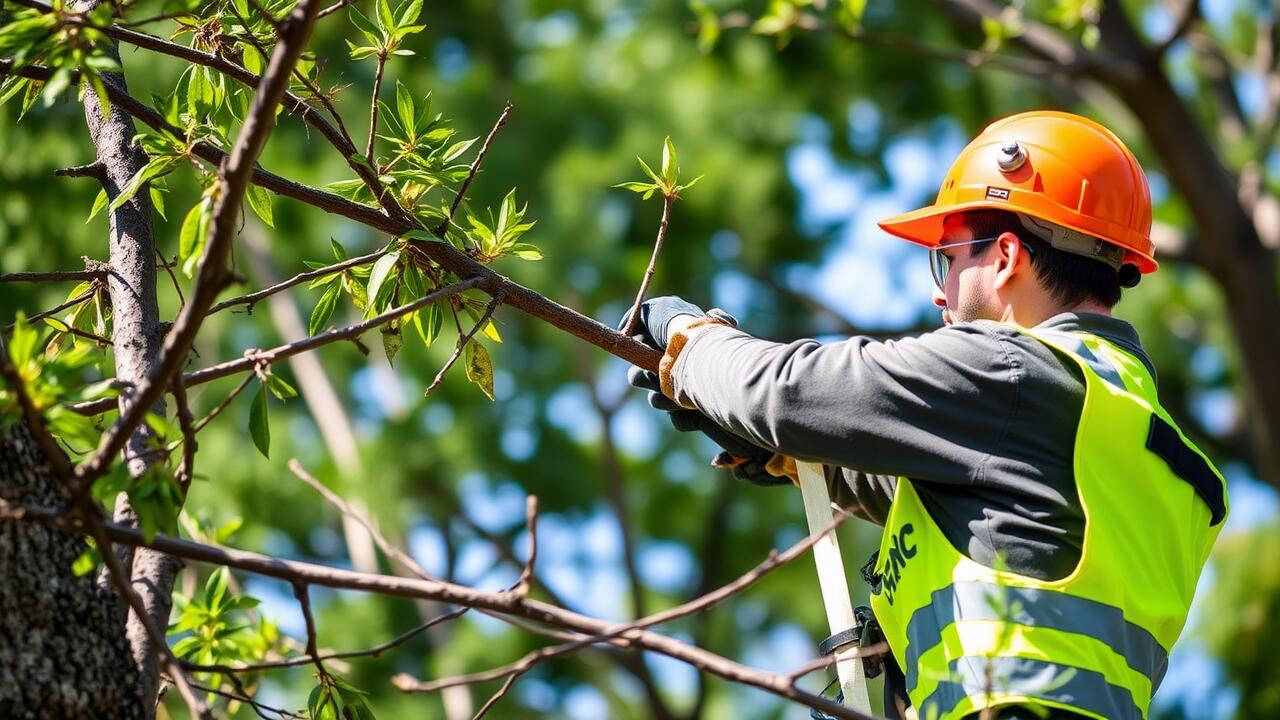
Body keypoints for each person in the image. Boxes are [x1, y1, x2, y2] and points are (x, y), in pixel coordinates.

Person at [625, 111, 1227, 720]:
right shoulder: (1129, 428)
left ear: (1005, 257)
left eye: (948, 259)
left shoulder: (1011, 372)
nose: (940, 291)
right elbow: (955, 500)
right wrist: (784, 456)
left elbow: (785, 394)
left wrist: (691, 341)